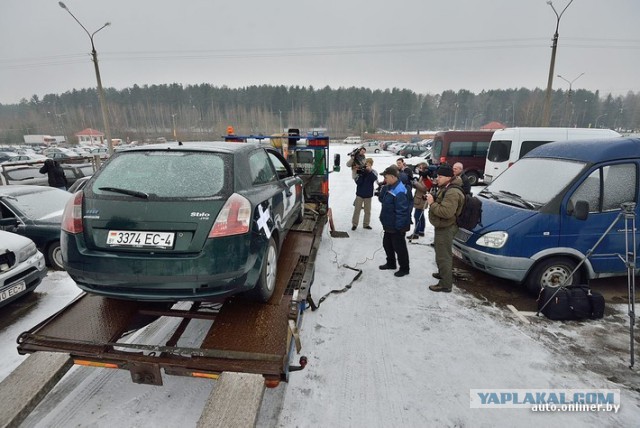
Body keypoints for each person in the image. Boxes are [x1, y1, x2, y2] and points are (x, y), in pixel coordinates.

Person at [426, 164, 465, 292]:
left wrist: (432, 203)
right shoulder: (446, 187)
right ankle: (443, 273)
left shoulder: (453, 191)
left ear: (449, 177)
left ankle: (445, 284)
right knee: (440, 253)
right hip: (443, 225)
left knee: (444, 256)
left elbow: (446, 212)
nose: (437, 178)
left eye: (440, 176)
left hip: (447, 227)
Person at [377, 165, 412, 277]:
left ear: (392, 177)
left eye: (386, 177)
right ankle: (391, 263)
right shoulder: (389, 187)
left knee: (399, 247)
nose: (384, 179)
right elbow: (382, 200)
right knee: (387, 244)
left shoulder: (400, 190)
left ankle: (404, 268)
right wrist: (383, 189)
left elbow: (402, 211)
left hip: (397, 226)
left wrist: (399, 227)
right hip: (389, 223)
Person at [407, 162, 433, 240]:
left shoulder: (426, 177)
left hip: (421, 199)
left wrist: (415, 183)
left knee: (417, 216)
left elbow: (425, 188)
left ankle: (416, 233)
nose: (418, 169)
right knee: (420, 216)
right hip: (419, 198)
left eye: (420, 168)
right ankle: (421, 231)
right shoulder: (422, 176)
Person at [351, 158, 378, 231]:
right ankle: (354, 224)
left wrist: (369, 172)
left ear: (371, 165)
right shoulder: (361, 170)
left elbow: (374, 178)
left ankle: (366, 224)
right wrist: (362, 173)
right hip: (360, 194)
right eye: (367, 164)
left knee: (367, 211)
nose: (367, 165)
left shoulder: (374, 172)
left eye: (369, 164)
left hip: (368, 195)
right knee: (357, 210)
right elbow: (357, 182)